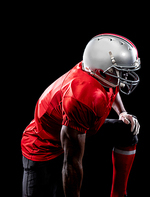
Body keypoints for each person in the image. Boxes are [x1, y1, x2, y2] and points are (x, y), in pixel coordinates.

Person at [21, 33, 141, 197]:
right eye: (120, 71)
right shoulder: (80, 96)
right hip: (45, 144)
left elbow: (113, 87)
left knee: (127, 130)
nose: (125, 77)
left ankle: (118, 194)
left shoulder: (101, 74)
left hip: (78, 124)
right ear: (100, 71)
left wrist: (122, 112)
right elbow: (72, 162)